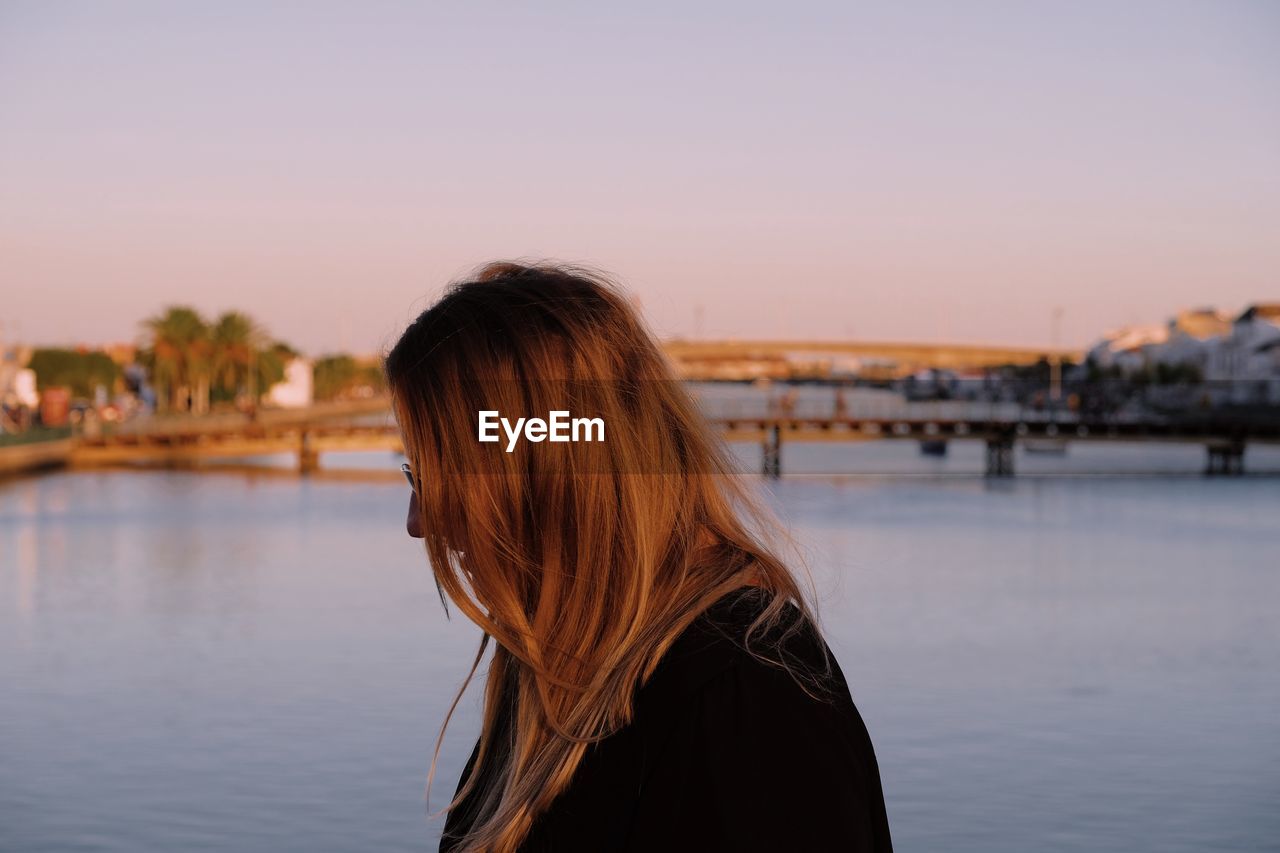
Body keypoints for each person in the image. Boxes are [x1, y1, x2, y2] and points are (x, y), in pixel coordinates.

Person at [385, 262, 892, 853]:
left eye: (437, 477)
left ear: (546, 472)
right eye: (413, 473)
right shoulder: (562, 669)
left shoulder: (747, 701)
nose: (418, 523)